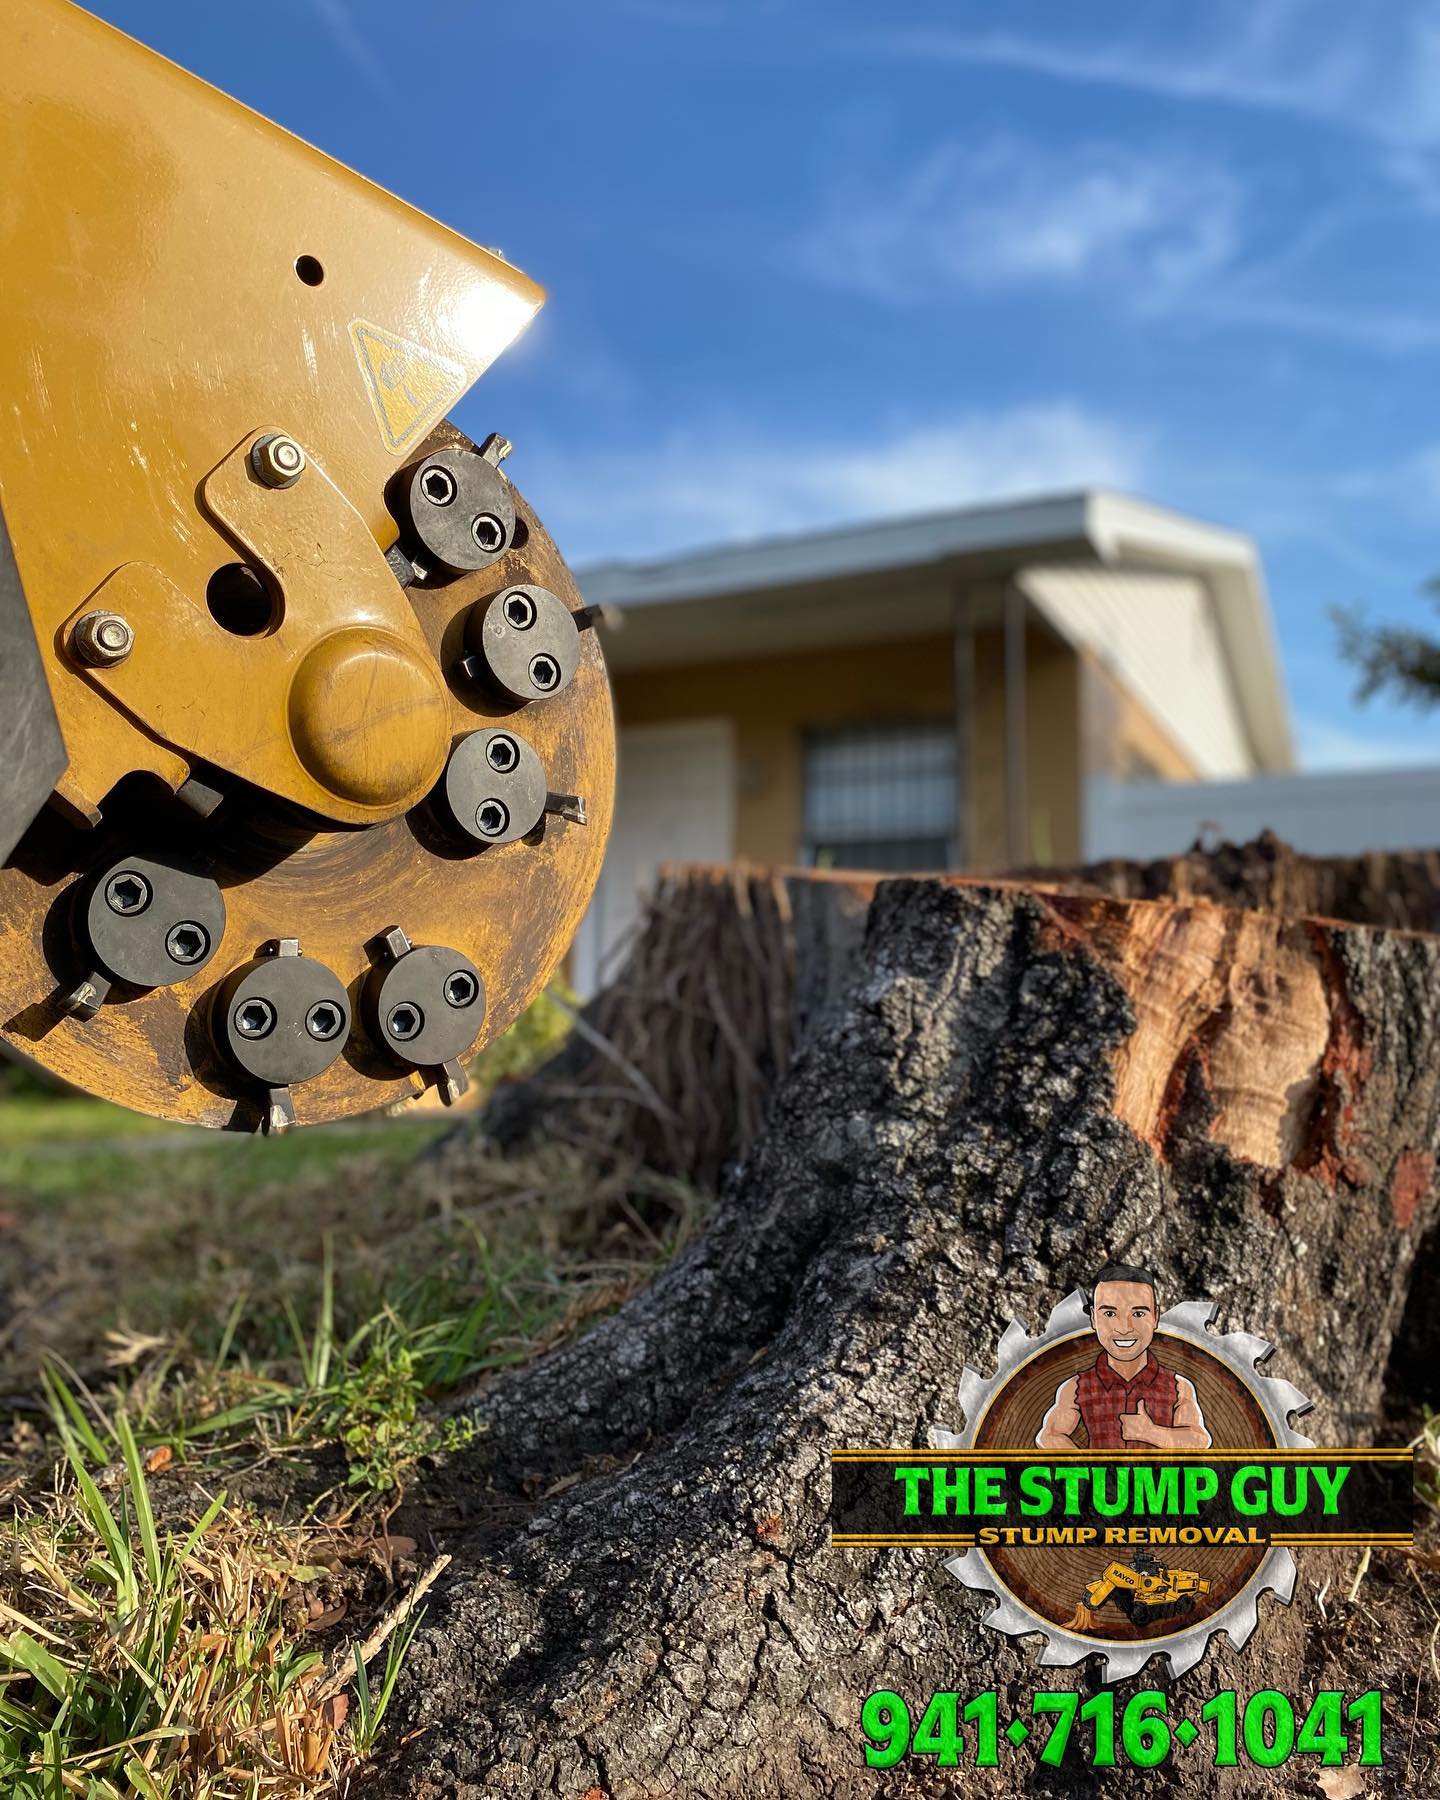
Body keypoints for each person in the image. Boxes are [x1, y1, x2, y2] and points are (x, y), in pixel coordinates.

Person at [1036, 1263, 1211, 1450]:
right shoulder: (1077, 1387)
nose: (1124, 1328)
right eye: (1110, 1313)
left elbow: (1199, 1440)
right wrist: (1087, 1466)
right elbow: (1049, 1436)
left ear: (1155, 1317)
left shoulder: (1178, 1386)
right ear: (1094, 1318)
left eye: (1138, 1313)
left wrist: (1150, 1433)